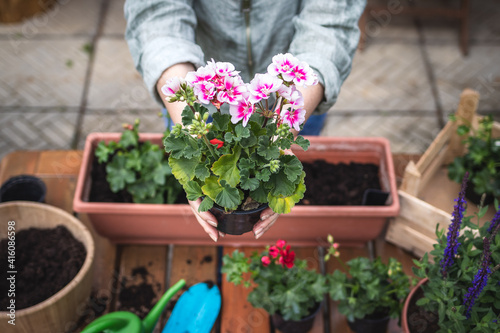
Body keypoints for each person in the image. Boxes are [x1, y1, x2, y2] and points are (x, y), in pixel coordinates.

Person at [124, 0, 365, 242]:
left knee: (292, 171)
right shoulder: (197, 103)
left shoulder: (291, 100)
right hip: (197, 98)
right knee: (192, 159)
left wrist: (282, 137)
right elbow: (156, 15)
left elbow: (331, 22)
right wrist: (189, 122)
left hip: (300, 99)